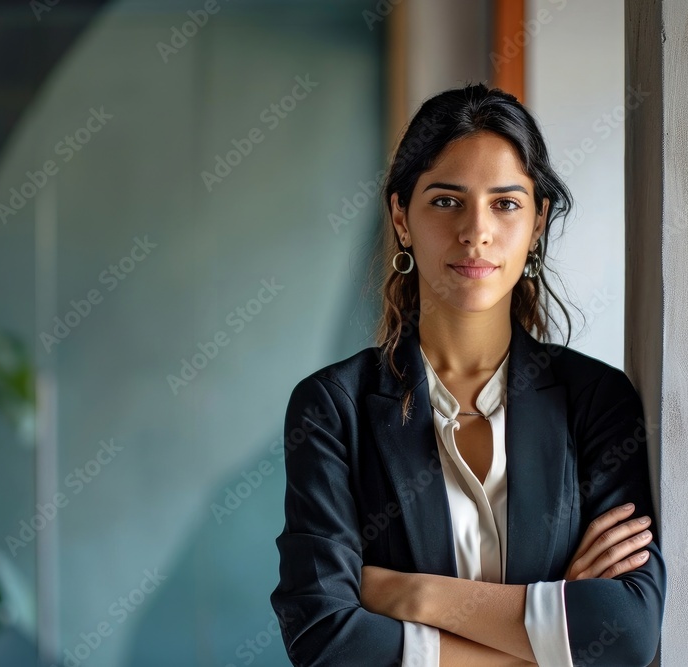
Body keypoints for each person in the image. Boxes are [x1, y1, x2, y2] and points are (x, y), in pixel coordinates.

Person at [270, 82, 666, 666]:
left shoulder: (597, 401)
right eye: (446, 200)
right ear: (401, 216)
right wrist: (550, 639)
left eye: (505, 203)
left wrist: (412, 593)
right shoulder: (334, 408)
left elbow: (628, 632)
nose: (475, 231)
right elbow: (324, 640)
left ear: (537, 222)